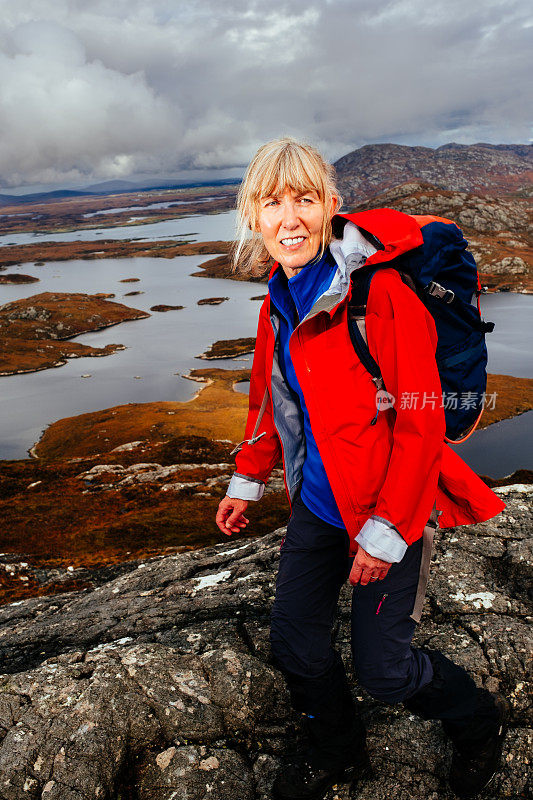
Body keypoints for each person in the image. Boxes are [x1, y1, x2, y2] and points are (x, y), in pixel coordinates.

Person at [215, 137, 509, 800]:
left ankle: (476, 721)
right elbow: (271, 393)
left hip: (386, 509)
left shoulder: (377, 300)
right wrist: (250, 478)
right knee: (294, 644)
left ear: (330, 208)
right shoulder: (279, 296)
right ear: (253, 217)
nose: (288, 218)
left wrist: (386, 531)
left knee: (385, 672)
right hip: (318, 506)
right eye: (271, 202)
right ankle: (337, 752)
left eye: (304, 200)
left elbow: (421, 423)